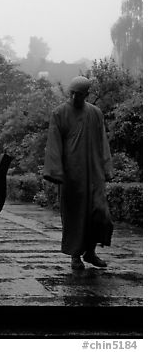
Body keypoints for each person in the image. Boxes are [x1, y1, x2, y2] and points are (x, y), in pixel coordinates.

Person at [43, 76, 114, 270]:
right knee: (75, 217)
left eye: (80, 94)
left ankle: (90, 252)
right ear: (69, 92)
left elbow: (103, 142)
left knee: (101, 214)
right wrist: (55, 172)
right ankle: (75, 256)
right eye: (73, 93)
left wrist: (107, 168)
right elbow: (54, 145)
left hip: (95, 173)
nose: (75, 97)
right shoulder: (59, 113)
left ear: (86, 95)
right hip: (72, 176)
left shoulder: (95, 113)